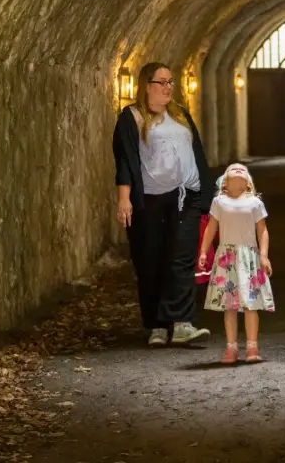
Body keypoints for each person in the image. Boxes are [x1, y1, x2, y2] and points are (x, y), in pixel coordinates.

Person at [112, 61, 215, 347]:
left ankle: (182, 322)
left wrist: (207, 195)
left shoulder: (180, 114)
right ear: (146, 86)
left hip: (186, 196)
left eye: (171, 82)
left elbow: (197, 152)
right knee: (151, 260)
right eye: (162, 82)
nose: (169, 87)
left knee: (181, 259)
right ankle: (157, 325)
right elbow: (124, 160)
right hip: (150, 201)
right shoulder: (132, 117)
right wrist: (124, 199)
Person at [199, 163, 274, 364]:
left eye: (243, 169)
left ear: (248, 183)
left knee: (251, 305)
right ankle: (231, 347)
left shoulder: (255, 203)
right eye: (233, 168)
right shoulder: (219, 202)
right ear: (224, 182)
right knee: (229, 306)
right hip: (227, 259)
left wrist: (264, 255)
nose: (239, 168)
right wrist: (204, 251)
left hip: (249, 257)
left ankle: (252, 347)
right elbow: (211, 227)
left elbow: (262, 231)